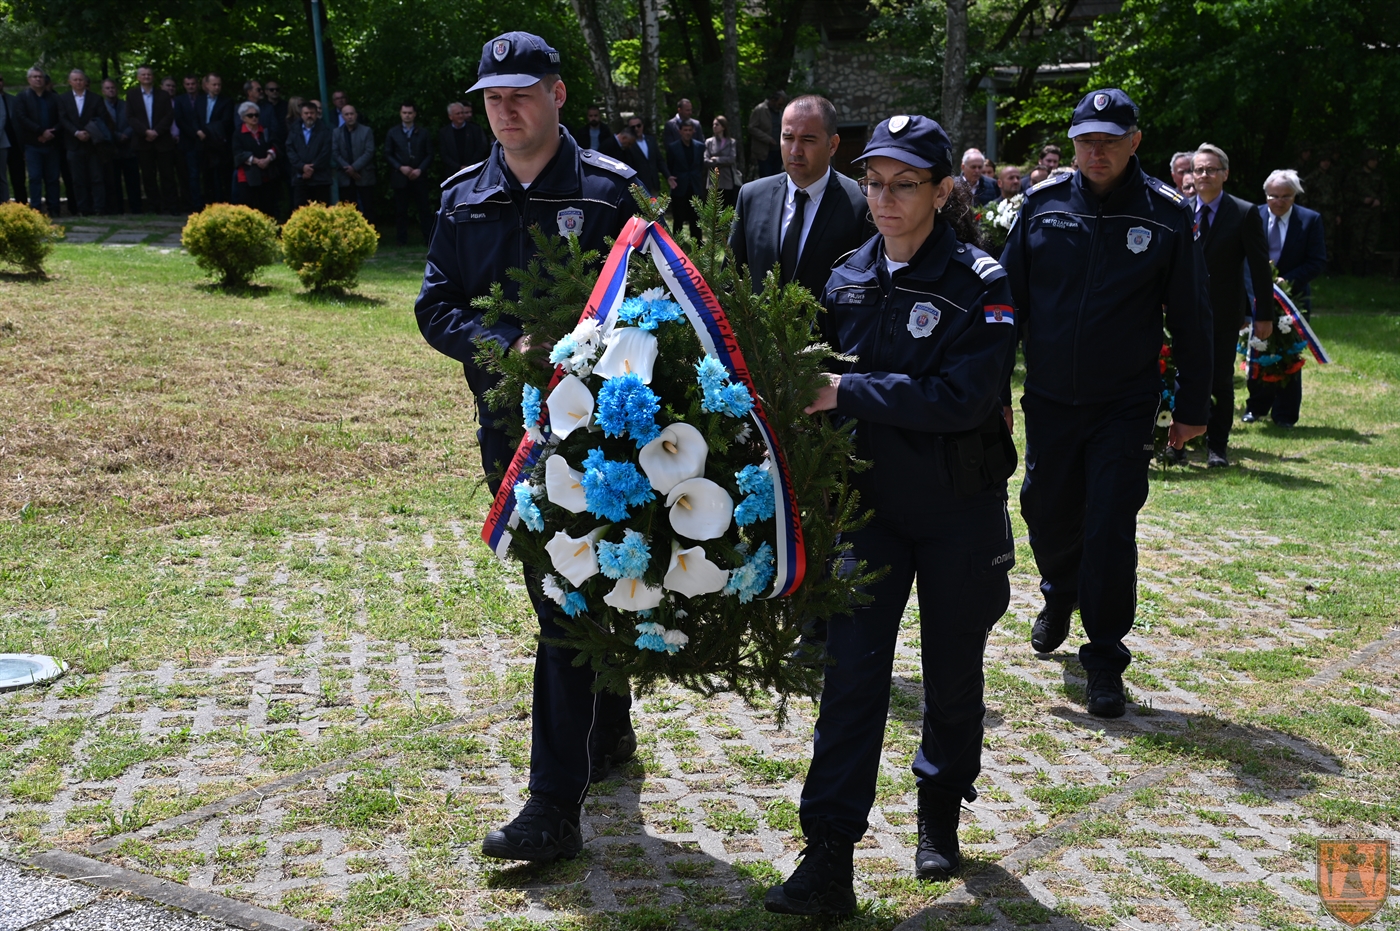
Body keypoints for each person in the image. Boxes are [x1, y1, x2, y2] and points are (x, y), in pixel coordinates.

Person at [762, 114, 1018, 917]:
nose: (883, 198)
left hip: (956, 509)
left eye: (904, 184)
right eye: (873, 182)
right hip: (867, 510)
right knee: (851, 678)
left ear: (942, 192)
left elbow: (963, 398)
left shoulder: (980, 281)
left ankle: (940, 808)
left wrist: (847, 391)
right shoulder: (846, 276)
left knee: (952, 672)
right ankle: (828, 853)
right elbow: (813, 377)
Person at [414, 30, 639, 864]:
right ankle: (606, 725)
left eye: (521, 94)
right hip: (508, 431)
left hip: (600, 432)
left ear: (557, 94)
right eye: (493, 99)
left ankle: (552, 806)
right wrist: (504, 342)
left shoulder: (611, 192)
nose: (505, 111)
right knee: (563, 593)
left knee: (567, 597)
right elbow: (435, 305)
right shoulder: (462, 196)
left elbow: (653, 303)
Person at [1000, 88, 1212, 718]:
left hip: (1124, 402)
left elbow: (1193, 316)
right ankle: (1060, 589)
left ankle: (1104, 657)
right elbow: (1006, 306)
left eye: (1110, 141)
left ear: (1134, 142)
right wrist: (990, 391)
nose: (1097, 151)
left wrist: (1193, 408)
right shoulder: (1042, 206)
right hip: (1049, 398)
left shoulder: (1165, 214)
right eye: (1086, 140)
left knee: (1110, 526)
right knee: (1045, 509)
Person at [729, 95, 867, 298]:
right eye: (788, 138)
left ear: (832, 145)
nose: (795, 150)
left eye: (807, 140)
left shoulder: (861, 204)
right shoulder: (751, 197)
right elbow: (730, 280)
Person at [1189, 142, 1273, 468]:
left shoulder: (1243, 212)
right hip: (1183, 310)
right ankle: (1177, 442)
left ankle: (1217, 446)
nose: (1204, 175)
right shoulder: (1180, 209)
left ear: (1225, 174)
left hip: (1224, 313)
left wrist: (1263, 315)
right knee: (1181, 375)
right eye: (1199, 169)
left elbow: (1259, 268)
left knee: (1220, 380)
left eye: (1211, 169)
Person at [1243, 169, 1327, 428]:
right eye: (1273, 196)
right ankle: (1256, 407)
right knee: (1258, 348)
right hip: (1256, 296)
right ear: (1265, 195)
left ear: (1295, 196)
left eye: (1285, 196)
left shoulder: (1309, 220)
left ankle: (1285, 414)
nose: (1278, 201)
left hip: (1293, 300)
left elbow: (1317, 261)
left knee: (1289, 354)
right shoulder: (1252, 215)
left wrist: (1286, 281)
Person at [57, 69, 113, 216]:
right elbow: (63, 119)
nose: (78, 82)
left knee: (97, 178)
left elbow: (102, 118)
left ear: (85, 81)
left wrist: (88, 132)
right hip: (73, 144)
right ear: (70, 82)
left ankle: (99, 208)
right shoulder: (63, 99)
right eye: (75, 80)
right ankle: (83, 209)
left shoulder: (96, 99)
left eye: (81, 79)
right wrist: (76, 132)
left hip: (93, 144)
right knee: (78, 179)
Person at [127, 66, 178, 214]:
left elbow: (169, 116)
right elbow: (130, 117)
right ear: (138, 77)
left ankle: (171, 206)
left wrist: (156, 131)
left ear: (153, 77)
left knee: (167, 175)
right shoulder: (132, 95)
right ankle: (154, 206)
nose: (146, 77)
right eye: (143, 75)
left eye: (149, 74)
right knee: (148, 176)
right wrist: (145, 132)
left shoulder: (163, 95)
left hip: (162, 140)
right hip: (143, 142)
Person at [384, 100, 434, 246]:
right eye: (404, 113)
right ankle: (401, 241)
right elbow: (388, 154)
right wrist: (400, 167)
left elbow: (430, 154)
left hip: (419, 176)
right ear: (400, 114)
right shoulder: (393, 133)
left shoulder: (423, 133)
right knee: (401, 210)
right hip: (400, 176)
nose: (407, 115)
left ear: (415, 114)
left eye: (410, 113)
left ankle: (429, 239)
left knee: (424, 209)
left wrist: (420, 169)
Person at [14, 67, 63, 215]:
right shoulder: (22, 97)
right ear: (29, 79)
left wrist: (51, 132)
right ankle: (36, 209)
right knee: (35, 178)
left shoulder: (54, 98)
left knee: (53, 179)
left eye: (40, 77)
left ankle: (54, 209)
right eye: (34, 77)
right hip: (32, 144)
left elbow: (62, 118)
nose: (37, 79)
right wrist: (40, 131)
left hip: (52, 144)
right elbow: (22, 118)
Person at [99, 78, 140, 214]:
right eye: (107, 88)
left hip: (129, 147)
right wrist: (116, 135)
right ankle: (117, 209)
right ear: (103, 91)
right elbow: (101, 125)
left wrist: (127, 134)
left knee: (132, 180)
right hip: (111, 148)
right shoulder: (101, 107)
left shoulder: (126, 105)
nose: (111, 90)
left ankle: (136, 208)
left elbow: (134, 121)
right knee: (113, 181)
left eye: (113, 88)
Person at [232, 100, 278, 215]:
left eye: (256, 115)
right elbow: (238, 153)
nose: (254, 118)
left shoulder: (265, 131)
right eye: (250, 115)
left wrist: (268, 159)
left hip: (266, 174)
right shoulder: (238, 134)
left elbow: (275, 146)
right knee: (249, 208)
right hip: (247, 176)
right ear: (243, 118)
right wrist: (256, 161)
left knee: (268, 207)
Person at [1344, 149, 1385, 276]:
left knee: (1371, 240)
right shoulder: (1355, 175)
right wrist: (1362, 200)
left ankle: (1368, 268)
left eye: (1376, 160)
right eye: (1372, 160)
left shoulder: (1378, 176)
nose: (1375, 162)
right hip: (1359, 213)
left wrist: (1379, 200)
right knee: (1357, 240)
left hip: (1374, 213)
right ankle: (1357, 269)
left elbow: (1384, 192)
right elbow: (1347, 193)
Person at [333, 104, 376, 222]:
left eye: (351, 114)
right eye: (346, 114)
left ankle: (370, 230)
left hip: (364, 175)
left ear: (356, 115)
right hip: (345, 176)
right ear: (342, 117)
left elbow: (369, 151)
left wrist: (355, 167)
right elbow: (335, 152)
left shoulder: (366, 131)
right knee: (348, 208)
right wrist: (348, 169)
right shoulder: (336, 132)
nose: (349, 117)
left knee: (368, 207)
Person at [665, 119, 707, 237]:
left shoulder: (700, 147)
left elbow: (701, 166)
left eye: (690, 130)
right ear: (680, 131)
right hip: (679, 187)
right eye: (685, 130)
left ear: (693, 131)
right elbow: (670, 166)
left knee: (696, 218)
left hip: (695, 186)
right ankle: (677, 242)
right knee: (678, 218)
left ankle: (697, 242)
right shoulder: (673, 147)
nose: (687, 132)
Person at [287, 101, 332, 207]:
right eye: (306, 113)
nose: (309, 116)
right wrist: (302, 167)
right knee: (300, 210)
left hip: (320, 179)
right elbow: (290, 150)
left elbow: (325, 152)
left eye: (312, 113)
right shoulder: (294, 130)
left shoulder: (325, 130)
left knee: (321, 210)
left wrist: (311, 168)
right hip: (300, 178)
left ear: (316, 114)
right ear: (301, 115)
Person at [199, 74, 234, 205]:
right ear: (207, 85)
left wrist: (206, 131)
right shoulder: (200, 100)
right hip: (202, 143)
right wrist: (197, 131)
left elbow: (225, 122)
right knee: (206, 176)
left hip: (219, 144)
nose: (217, 87)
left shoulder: (227, 101)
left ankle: (224, 203)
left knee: (222, 176)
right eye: (214, 84)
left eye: (219, 84)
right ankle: (209, 204)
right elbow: (195, 118)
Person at [1302, 151, 1340, 270]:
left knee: (1329, 239)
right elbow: (1304, 197)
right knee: (1314, 238)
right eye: (1323, 161)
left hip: (1330, 212)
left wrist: (1338, 213)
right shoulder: (1311, 178)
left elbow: (1338, 196)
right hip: (1315, 211)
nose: (1326, 163)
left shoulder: (1332, 178)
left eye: (1328, 161)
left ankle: (1328, 264)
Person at [172, 74, 204, 211]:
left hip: (205, 141)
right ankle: (195, 204)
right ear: (184, 85)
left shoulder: (204, 98)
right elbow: (179, 120)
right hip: (188, 142)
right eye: (188, 84)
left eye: (193, 83)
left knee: (205, 174)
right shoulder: (179, 100)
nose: (191, 86)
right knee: (192, 174)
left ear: (197, 84)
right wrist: (195, 133)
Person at [439, 101, 489, 176]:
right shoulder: (444, 132)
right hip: (453, 172)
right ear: (450, 116)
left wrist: (468, 166)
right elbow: (444, 154)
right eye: (458, 114)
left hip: (473, 171)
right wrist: (458, 167)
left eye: (462, 113)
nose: (461, 116)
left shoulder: (475, 129)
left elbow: (480, 150)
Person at [624, 115, 667, 196]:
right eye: (633, 127)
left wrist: (668, 176)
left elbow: (659, 160)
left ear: (642, 126)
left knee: (655, 204)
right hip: (638, 187)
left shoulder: (651, 140)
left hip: (653, 185)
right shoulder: (627, 145)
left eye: (638, 125)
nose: (636, 129)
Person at [748, 89, 786, 178]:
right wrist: (767, 139)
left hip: (778, 152)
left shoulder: (780, 112)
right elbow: (751, 128)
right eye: (779, 104)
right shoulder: (760, 109)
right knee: (766, 178)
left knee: (777, 178)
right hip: (764, 152)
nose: (780, 107)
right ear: (773, 100)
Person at [704, 114, 738, 207]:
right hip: (713, 180)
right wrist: (724, 162)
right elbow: (706, 160)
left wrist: (716, 159)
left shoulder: (731, 142)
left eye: (717, 124)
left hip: (727, 179)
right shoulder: (709, 142)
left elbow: (732, 159)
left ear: (723, 127)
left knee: (727, 205)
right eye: (713, 124)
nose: (714, 127)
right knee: (714, 207)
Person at [1, 75, 22, 205]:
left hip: (12, 143)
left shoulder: (13, 100)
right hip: (2, 143)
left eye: (0, 80)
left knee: (15, 177)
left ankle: (18, 205)